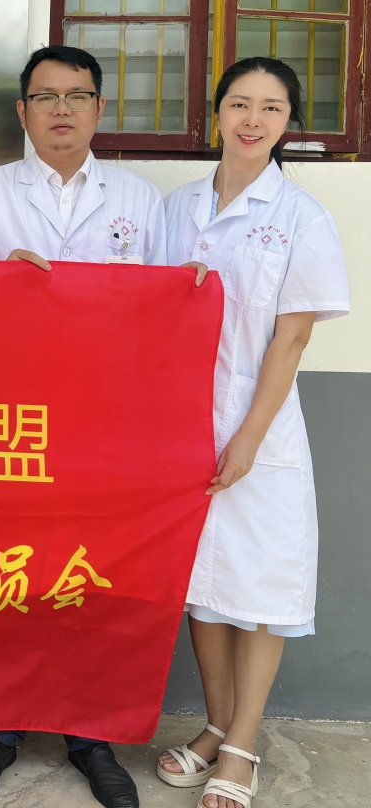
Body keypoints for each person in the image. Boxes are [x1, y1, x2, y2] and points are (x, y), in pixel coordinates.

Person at [0, 45, 167, 808]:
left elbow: (166, 317)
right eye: (46, 97)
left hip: (104, 427)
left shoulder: (139, 199)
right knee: (5, 575)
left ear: (100, 108)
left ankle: (88, 735)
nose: (61, 110)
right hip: (8, 423)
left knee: (89, 579)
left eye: (77, 96)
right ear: (23, 112)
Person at [156, 57, 349, 808]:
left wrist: (246, 439)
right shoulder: (177, 208)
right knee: (202, 586)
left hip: (259, 425)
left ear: (287, 123)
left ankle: (242, 744)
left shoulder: (301, 216)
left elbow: (291, 340)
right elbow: (141, 305)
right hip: (179, 420)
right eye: (240, 103)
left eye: (271, 108)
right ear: (217, 112)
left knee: (261, 584)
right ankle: (214, 724)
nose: (253, 120)